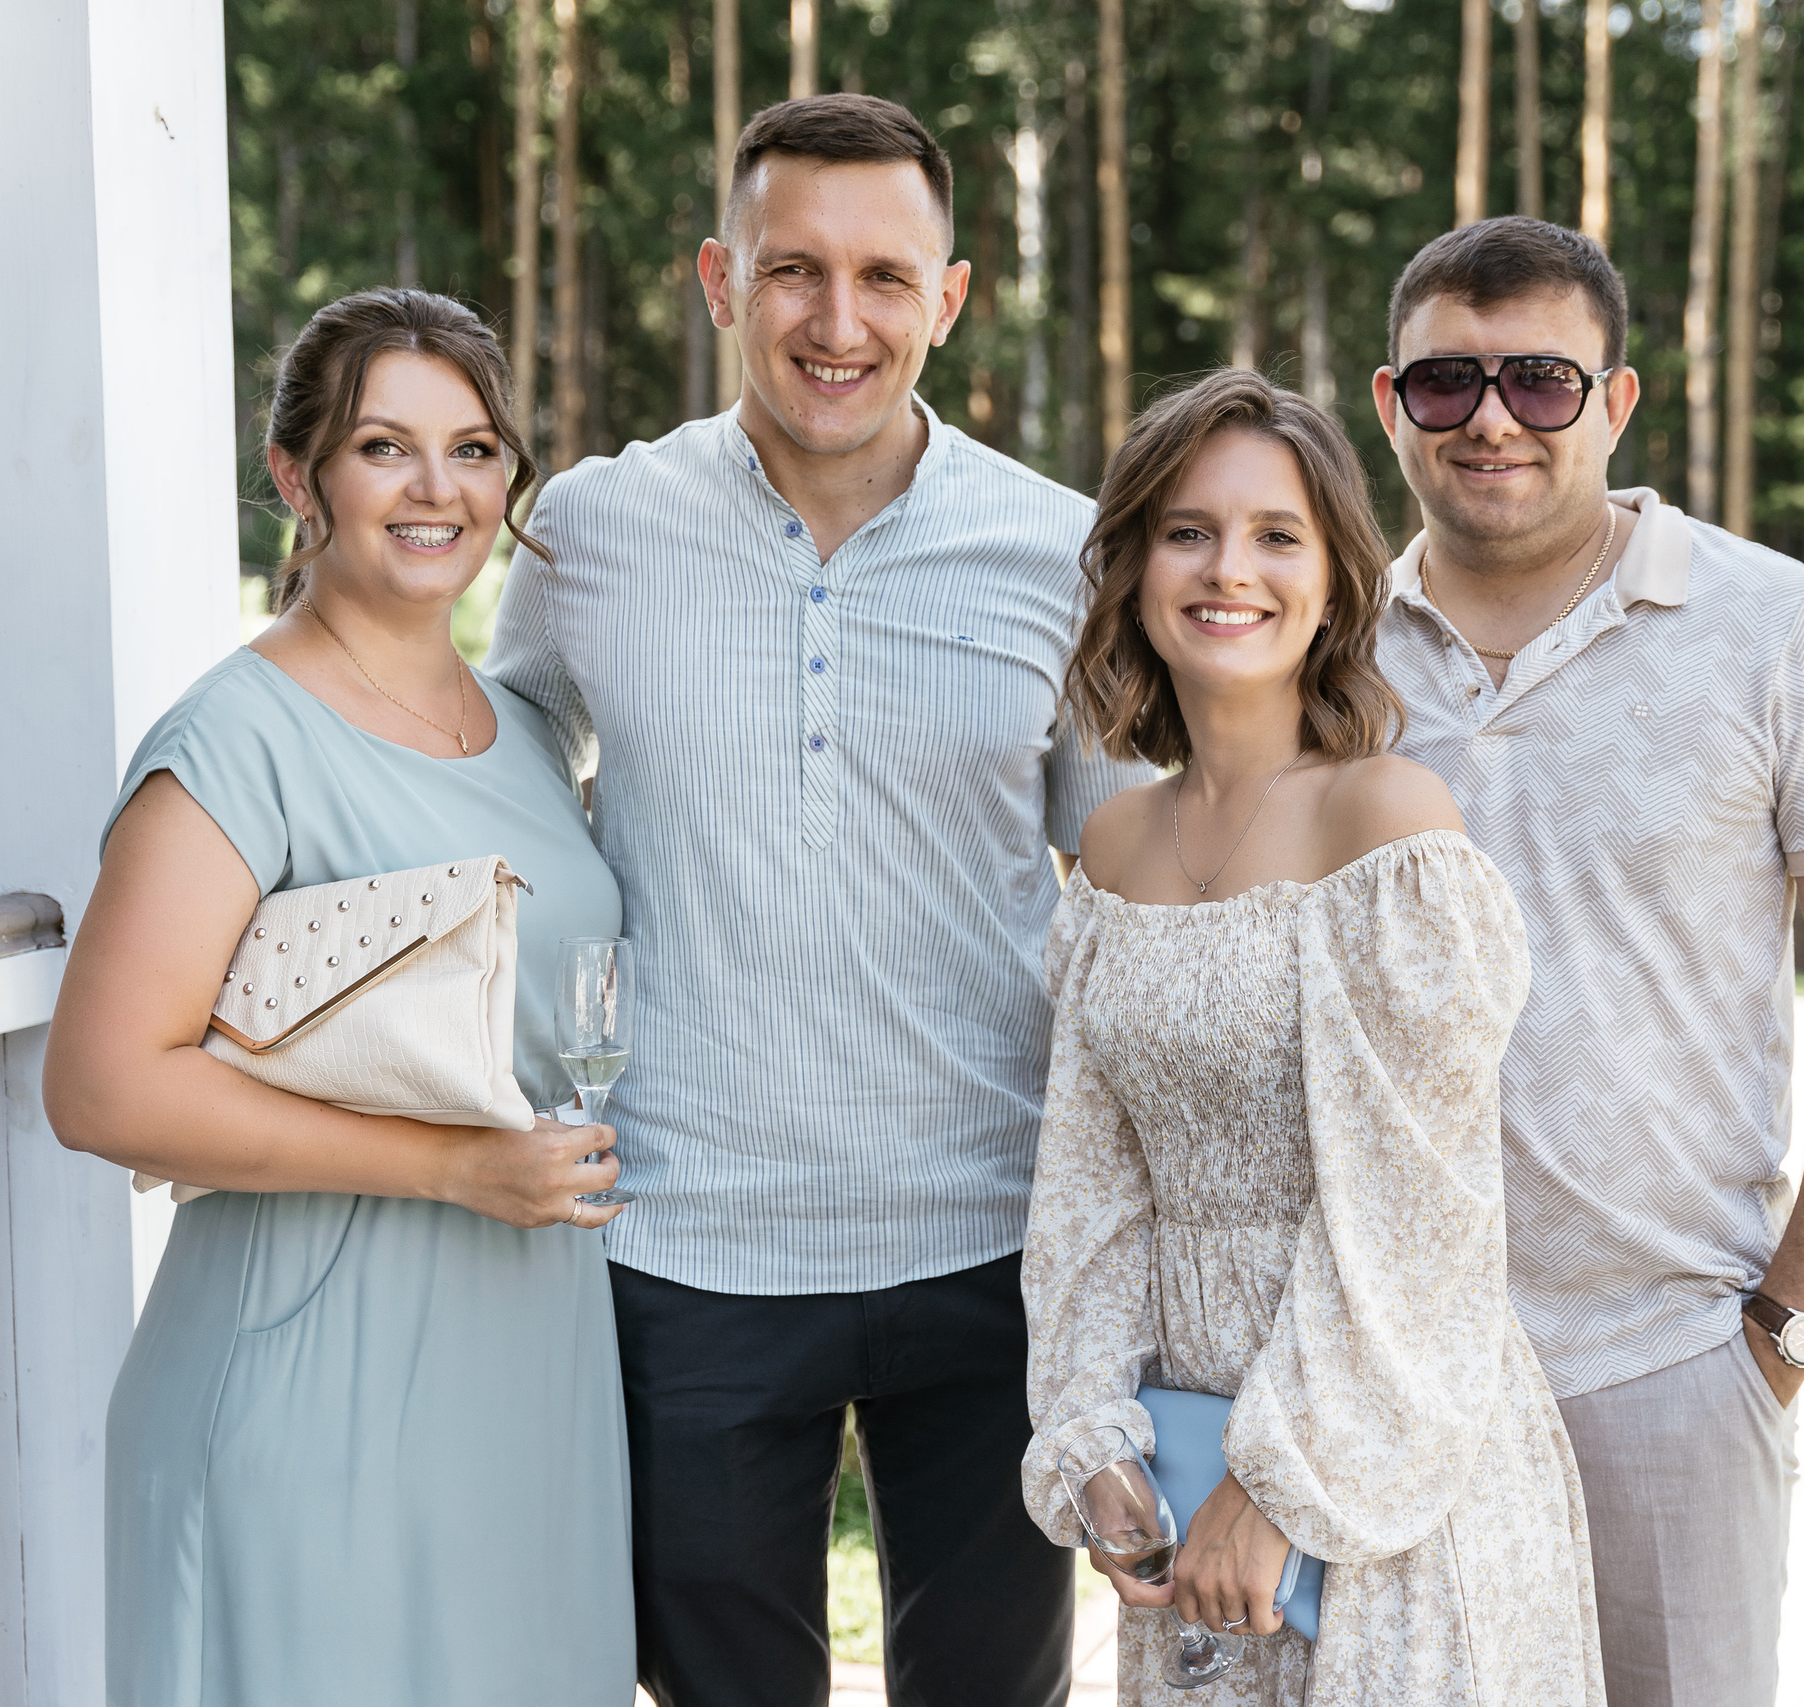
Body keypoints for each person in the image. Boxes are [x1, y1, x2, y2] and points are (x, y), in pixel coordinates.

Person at [484, 94, 1154, 1707]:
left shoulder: (1061, 551)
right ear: (720, 281)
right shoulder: (589, 531)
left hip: (994, 1238)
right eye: (793, 270)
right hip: (686, 1239)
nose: (835, 322)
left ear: (952, 296)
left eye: (881, 276)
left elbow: (1153, 882)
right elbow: (478, 784)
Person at [1367, 216, 1804, 1705]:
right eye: (1446, 384)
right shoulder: (1324, 645)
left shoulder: (1777, 632)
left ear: (1617, 402)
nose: (1492, 417)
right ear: (1390, 406)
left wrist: (1780, 1337)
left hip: (1666, 1378)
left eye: (1541, 382)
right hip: (1378, 1381)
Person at [43, 287, 635, 1706]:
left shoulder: (530, 727)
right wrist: (457, 1168)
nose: (439, 489)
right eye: (386, 447)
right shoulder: (236, 739)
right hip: (310, 1390)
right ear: (298, 477)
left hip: (525, 1388)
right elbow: (103, 1085)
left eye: (476, 449)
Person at [1020, 368, 1608, 1706]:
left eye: (1277, 535)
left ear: (1336, 579)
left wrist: (1284, 1483)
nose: (1232, 569)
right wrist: (1100, 1441)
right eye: (1189, 531)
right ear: (1134, 568)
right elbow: (1088, 1199)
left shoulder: (1387, 821)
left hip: (1377, 1459)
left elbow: (1425, 1218)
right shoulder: (1112, 844)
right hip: (1182, 1473)